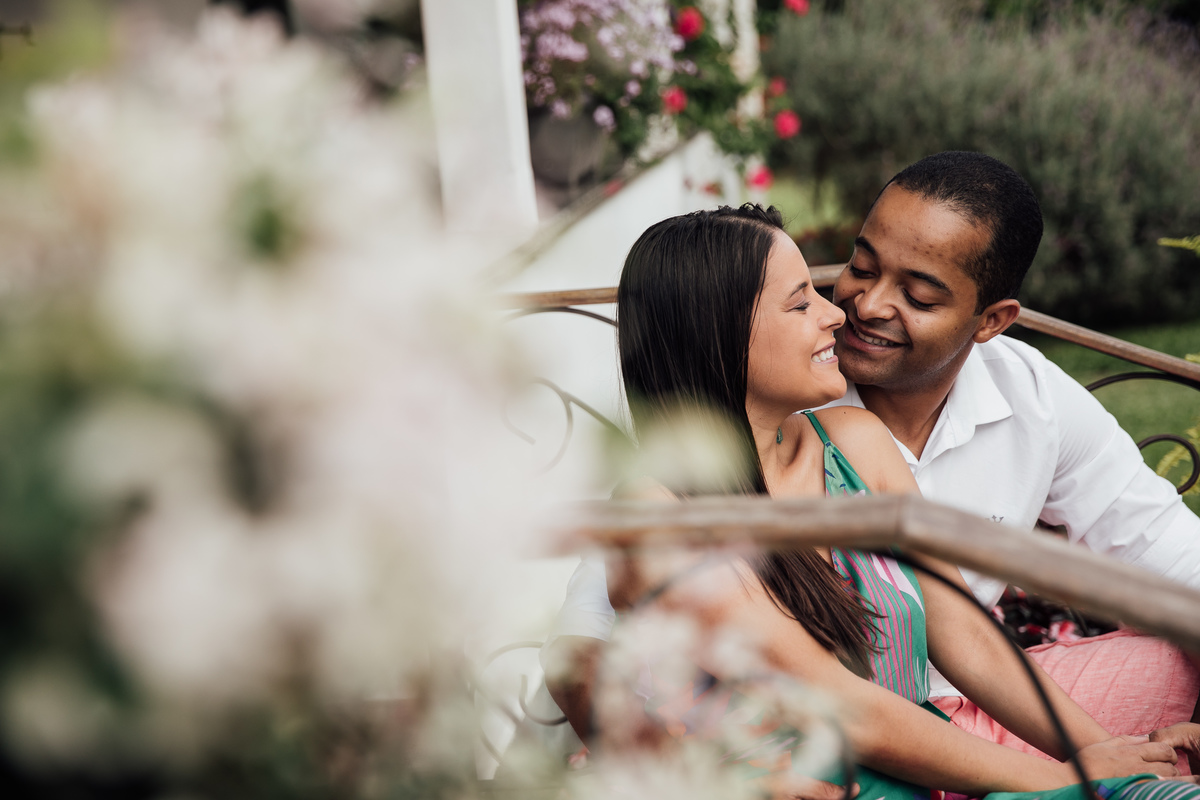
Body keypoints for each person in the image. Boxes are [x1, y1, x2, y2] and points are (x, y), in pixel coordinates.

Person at [543, 153, 1200, 762]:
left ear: (990, 321)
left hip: (964, 714)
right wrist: (652, 753)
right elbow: (586, 636)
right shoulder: (771, 401)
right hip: (828, 749)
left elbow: (1169, 555)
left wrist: (1103, 762)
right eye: (860, 267)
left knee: (1172, 662)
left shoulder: (1012, 402)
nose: (858, 307)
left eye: (919, 296)